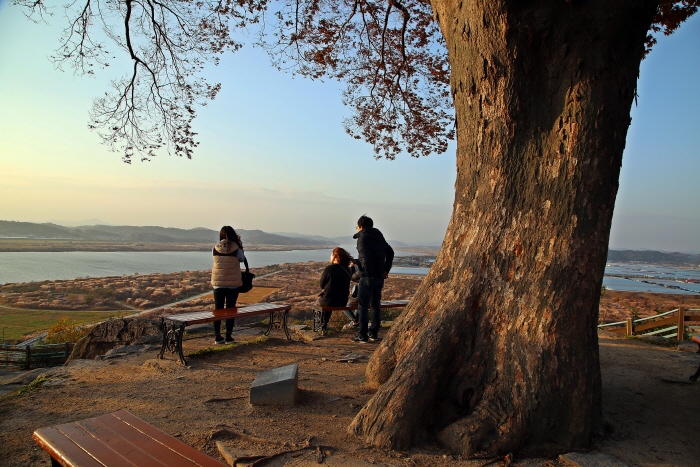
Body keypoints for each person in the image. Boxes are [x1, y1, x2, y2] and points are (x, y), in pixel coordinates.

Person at [351, 215, 394, 343]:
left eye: (357, 227)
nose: (357, 229)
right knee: (375, 305)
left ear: (361, 226)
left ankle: (362, 335)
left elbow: (365, 258)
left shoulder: (362, 238)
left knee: (363, 306)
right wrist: (386, 269)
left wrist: (365, 273)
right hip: (379, 277)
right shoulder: (379, 236)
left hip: (368, 277)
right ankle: (373, 334)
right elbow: (390, 252)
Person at [211, 226, 246, 344]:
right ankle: (228, 337)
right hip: (232, 285)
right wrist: (239, 243)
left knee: (218, 310)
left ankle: (217, 337)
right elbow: (242, 259)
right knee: (230, 310)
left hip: (218, 284)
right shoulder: (236, 248)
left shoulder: (215, 248)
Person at [317, 247, 354, 330]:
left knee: (319, 302)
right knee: (328, 301)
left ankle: (322, 324)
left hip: (329, 301)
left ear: (335, 256)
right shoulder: (347, 269)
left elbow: (322, 285)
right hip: (343, 301)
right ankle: (354, 320)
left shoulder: (329, 268)